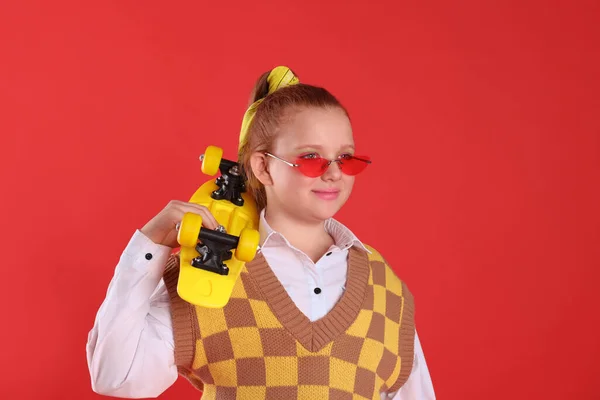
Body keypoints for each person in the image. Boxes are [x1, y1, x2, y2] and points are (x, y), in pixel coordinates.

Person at [86, 66, 436, 399]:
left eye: (345, 158)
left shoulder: (384, 286)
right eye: (312, 157)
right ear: (263, 166)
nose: (334, 174)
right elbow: (118, 377)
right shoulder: (207, 270)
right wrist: (149, 246)